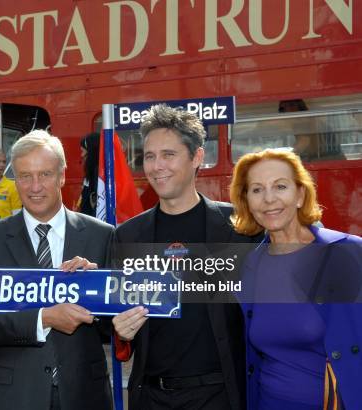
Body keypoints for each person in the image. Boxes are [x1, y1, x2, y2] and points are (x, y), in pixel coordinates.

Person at [111, 104, 259, 410]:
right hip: (151, 397)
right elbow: (115, 318)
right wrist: (119, 330)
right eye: (149, 156)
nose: (156, 166)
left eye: (168, 154)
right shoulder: (128, 235)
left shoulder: (240, 228)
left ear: (197, 157)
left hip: (220, 396)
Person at [0, 130, 114, 410]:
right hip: (14, 397)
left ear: (62, 175)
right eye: (25, 176)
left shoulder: (101, 236)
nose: (34, 186)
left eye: (44, 174)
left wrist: (95, 290)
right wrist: (43, 319)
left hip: (84, 395)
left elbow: (114, 328)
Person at [229, 148, 362, 410]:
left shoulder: (348, 253)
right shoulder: (250, 265)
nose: (268, 199)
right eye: (256, 190)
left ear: (300, 194)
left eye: (280, 186)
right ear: (246, 201)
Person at [75, 132, 99, 217]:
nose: (81, 155)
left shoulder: (97, 172)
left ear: (91, 152)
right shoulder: (92, 171)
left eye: (83, 151)